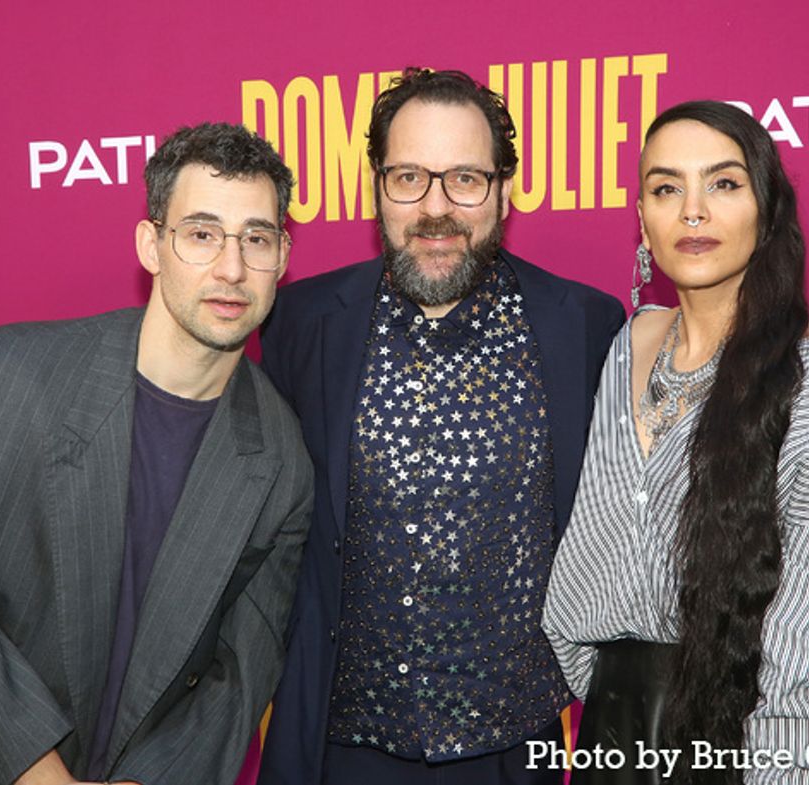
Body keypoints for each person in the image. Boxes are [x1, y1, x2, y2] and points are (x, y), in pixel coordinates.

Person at [0, 122, 314, 785]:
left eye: (257, 238)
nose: (232, 268)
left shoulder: (283, 462)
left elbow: (240, 675)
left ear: (282, 256)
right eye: (202, 233)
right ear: (151, 244)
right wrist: (44, 776)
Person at [541, 100, 809, 784]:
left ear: (767, 212)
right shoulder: (629, 346)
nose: (692, 211)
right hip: (614, 740)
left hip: (752, 749)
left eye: (724, 183)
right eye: (665, 187)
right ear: (643, 223)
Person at [257, 68, 625, 785]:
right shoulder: (300, 324)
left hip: (517, 751)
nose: (435, 207)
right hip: (341, 748)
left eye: (464, 178)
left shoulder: (584, 325)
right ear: (376, 189)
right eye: (408, 178)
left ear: (504, 191)